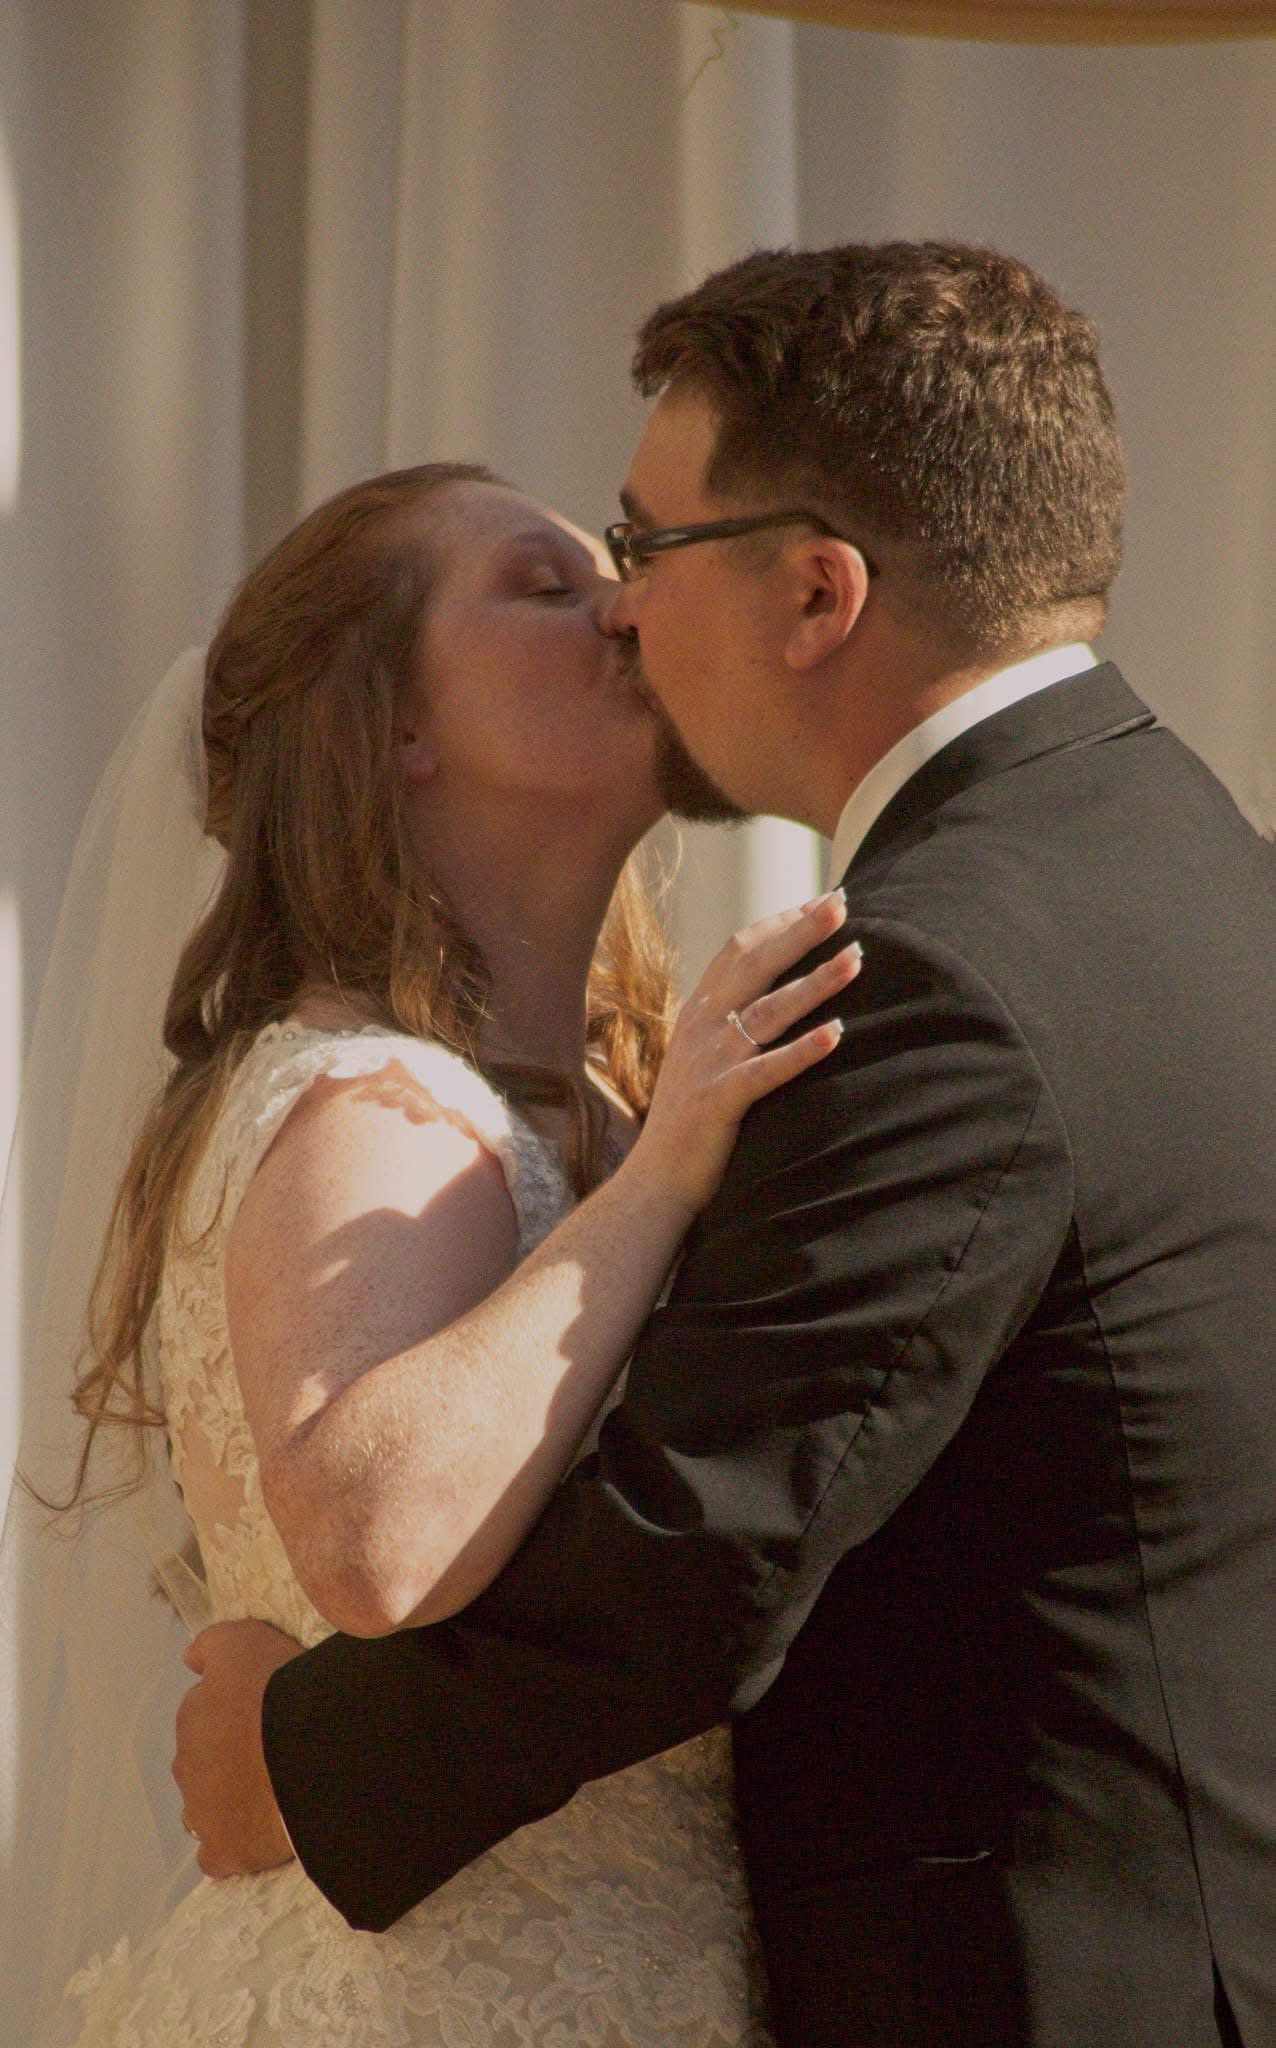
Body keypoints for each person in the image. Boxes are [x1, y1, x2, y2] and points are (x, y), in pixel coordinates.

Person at [177, 240, 1276, 2048]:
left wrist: (299, 1765)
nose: (623, 609)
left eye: (641, 542)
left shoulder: (945, 968)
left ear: (817, 594)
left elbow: (705, 1536)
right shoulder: (1196, 864)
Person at [0, 458, 860, 2047]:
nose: (624, 609)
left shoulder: (605, 1101)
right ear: (392, 727)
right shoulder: (372, 1105)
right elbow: (376, 1541)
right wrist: (664, 1177)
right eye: (542, 588)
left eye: (609, 571)